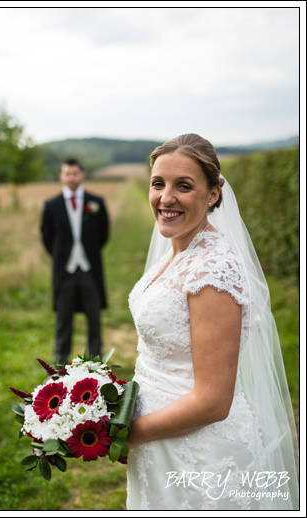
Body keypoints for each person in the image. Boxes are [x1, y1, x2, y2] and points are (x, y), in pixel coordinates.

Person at [125, 134, 299, 510]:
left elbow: (213, 402)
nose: (165, 198)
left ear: (213, 195)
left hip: (198, 452)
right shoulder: (180, 251)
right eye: (158, 183)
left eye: (183, 186)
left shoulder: (213, 268)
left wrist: (126, 434)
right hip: (161, 438)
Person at [41, 157, 109, 365]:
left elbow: (104, 234)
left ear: (82, 174)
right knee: (63, 321)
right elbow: (47, 236)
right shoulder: (51, 205)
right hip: (64, 271)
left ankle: (96, 366)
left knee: (94, 319)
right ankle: (59, 366)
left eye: (75, 173)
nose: (71, 177)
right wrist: (63, 257)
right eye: (67, 173)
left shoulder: (96, 203)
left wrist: (87, 254)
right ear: (62, 176)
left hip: (89, 269)